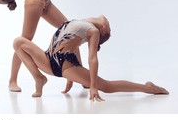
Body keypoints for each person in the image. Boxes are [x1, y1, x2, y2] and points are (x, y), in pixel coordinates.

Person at [13, 15, 169, 100]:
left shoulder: (92, 31)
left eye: (107, 26)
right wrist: (70, 81)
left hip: (65, 67)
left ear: (102, 30)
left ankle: (148, 88)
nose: (105, 20)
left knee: (106, 86)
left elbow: (92, 59)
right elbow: (73, 47)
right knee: (19, 42)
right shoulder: (80, 22)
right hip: (47, 59)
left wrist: (93, 86)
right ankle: (39, 78)